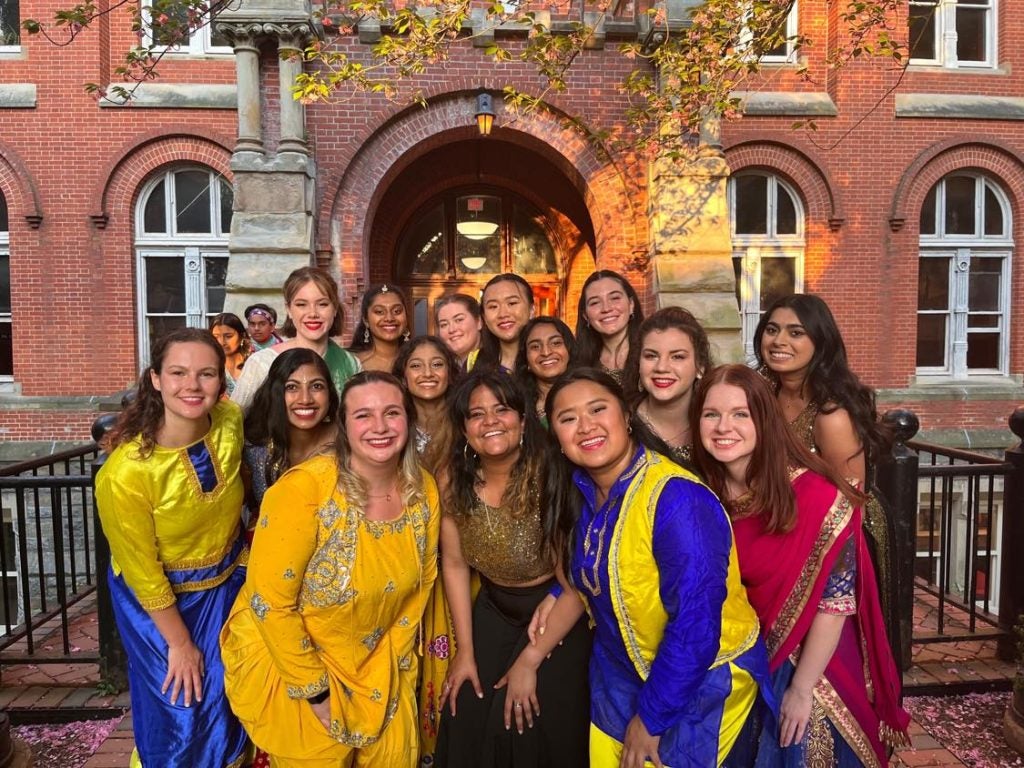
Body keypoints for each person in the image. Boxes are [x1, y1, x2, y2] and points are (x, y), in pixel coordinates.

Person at [514, 368, 771, 768]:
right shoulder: (581, 491)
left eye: (598, 409)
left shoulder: (677, 499)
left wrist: (650, 719)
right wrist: (559, 593)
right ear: (557, 439)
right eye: (567, 419)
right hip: (616, 681)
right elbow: (605, 566)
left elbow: (695, 625)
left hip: (701, 685)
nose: (585, 426)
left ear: (627, 417)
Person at [692, 364, 909, 767]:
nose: (724, 426)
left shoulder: (816, 496)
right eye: (711, 414)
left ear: (765, 421)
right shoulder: (699, 494)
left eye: (741, 414)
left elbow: (835, 602)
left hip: (813, 664)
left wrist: (802, 688)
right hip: (740, 664)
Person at [221, 372, 441, 767]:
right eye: (363, 416)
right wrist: (316, 692)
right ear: (343, 426)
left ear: (409, 421)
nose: (379, 427)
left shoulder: (422, 489)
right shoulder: (303, 490)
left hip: (380, 662)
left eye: (392, 413)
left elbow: (422, 584)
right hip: (296, 665)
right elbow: (270, 603)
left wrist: (392, 666)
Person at [95, 328, 248, 768]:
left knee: (229, 700)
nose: (192, 386)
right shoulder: (124, 475)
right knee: (181, 711)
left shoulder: (230, 422)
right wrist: (179, 643)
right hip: (160, 605)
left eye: (206, 374)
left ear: (221, 380)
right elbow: (141, 571)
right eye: (178, 373)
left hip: (227, 583)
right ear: (155, 379)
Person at [435, 371, 590, 767]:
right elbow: (453, 564)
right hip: (492, 607)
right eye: (476, 414)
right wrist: (465, 650)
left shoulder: (553, 473)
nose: (490, 421)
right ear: (464, 428)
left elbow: (575, 581)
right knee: (464, 706)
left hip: (555, 609)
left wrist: (529, 660)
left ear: (522, 420)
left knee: (525, 718)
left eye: (501, 410)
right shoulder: (452, 479)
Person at [753, 293, 897, 648]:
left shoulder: (831, 415)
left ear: (820, 342)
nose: (779, 341)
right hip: (781, 528)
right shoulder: (761, 393)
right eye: (772, 329)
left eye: (796, 332)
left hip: (837, 541)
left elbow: (849, 501)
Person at [393, 336, 460, 765]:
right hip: (400, 561)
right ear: (403, 375)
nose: (428, 373)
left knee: (451, 657)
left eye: (437, 364)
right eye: (416, 366)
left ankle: (443, 747)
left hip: (457, 561)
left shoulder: (467, 420)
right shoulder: (392, 423)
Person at [231, 267, 360, 414]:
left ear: (335, 308)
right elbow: (233, 421)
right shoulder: (262, 363)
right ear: (289, 309)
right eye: (301, 305)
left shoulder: (351, 364)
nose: (312, 313)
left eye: (322, 304)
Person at [242, 348, 339, 538]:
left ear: (329, 393)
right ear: (275, 393)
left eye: (316, 386)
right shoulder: (255, 448)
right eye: (292, 387)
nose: (305, 399)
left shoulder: (349, 443)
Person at [622, 307, 711, 472]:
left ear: (700, 367)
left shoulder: (715, 425)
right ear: (638, 364)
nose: (662, 367)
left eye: (677, 357)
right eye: (651, 356)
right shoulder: (620, 422)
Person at [575, 270, 644, 385]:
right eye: (595, 302)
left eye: (615, 298)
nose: (606, 308)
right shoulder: (578, 362)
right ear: (585, 316)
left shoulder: (651, 352)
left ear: (631, 305)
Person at [513, 316, 576, 425]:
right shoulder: (516, 405)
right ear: (526, 359)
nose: (546, 352)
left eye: (556, 343)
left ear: (569, 350)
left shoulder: (591, 393)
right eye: (535, 347)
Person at [473, 274, 534, 373]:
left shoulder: (548, 360)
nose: (503, 314)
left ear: (531, 310)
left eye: (512, 303)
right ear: (484, 316)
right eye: (493, 306)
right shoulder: (473, 365)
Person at [349, 283, 411, 372]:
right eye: (379, 312)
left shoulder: (417, 360)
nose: (389, 318)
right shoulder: (351, 363)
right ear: (366, 320)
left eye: (397, 311)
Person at [435, 293, 483, 369]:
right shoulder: (443, 368)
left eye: (459, 320)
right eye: (444, 324)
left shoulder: (498, 365)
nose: (451, 329)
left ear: (479, 322)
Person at [210, 312, 251, 397]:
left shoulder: (254, 363)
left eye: (228, 336)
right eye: (216, 337)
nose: (222, 342)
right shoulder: (209, 365)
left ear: (242, 336)